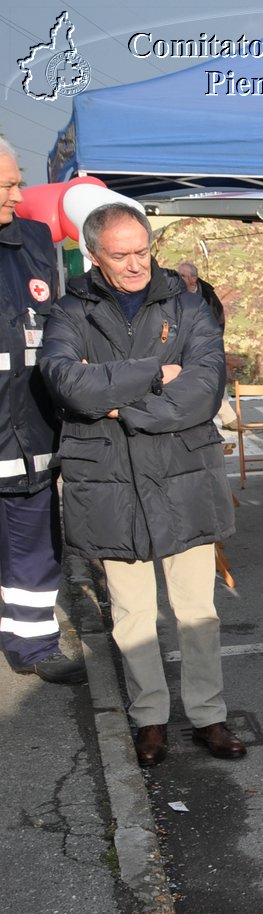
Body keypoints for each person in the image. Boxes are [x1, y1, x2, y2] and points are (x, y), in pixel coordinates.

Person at [38, 202, 244, 766]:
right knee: (130, 613)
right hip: (109, 480)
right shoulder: (69, 310)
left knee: (197, 608)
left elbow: (204, 387)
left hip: (183, 474)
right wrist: (155, 373)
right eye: (120, 254)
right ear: (94, 255)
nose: (135, 265)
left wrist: (119, 407)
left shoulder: (188, 303)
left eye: (142, 251)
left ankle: (209, 715)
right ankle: (149, 718)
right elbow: (65, 382)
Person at [0, 137, 84, 684]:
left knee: (33, 541)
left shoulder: (32, 239)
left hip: (28, 427)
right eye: (7, 185)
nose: (20, 193)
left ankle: (33, 644)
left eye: (18, 178)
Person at [175, 261, 226, 333]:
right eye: (178, 275)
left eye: (183, 276)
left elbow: (219, 321)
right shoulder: (172, 293)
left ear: (193, 279)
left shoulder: (208, 296)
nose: (178, 279)